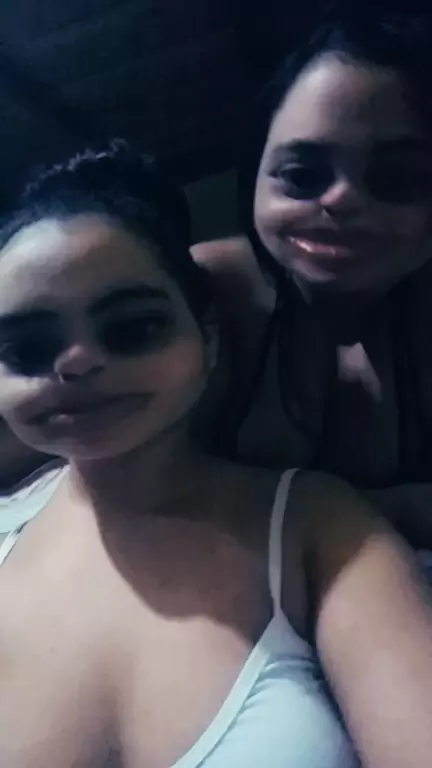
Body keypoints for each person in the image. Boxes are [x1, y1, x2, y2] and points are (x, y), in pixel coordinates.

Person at [1, 142, 432, 767]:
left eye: (133, 328)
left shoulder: (317, 527)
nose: (78, 362)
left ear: (206, 343)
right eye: (28, 348)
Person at [193, 11, 432, 551]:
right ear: (254, 173)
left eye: (398, 180)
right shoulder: (200, 295)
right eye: (302, 176)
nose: (343, 199)